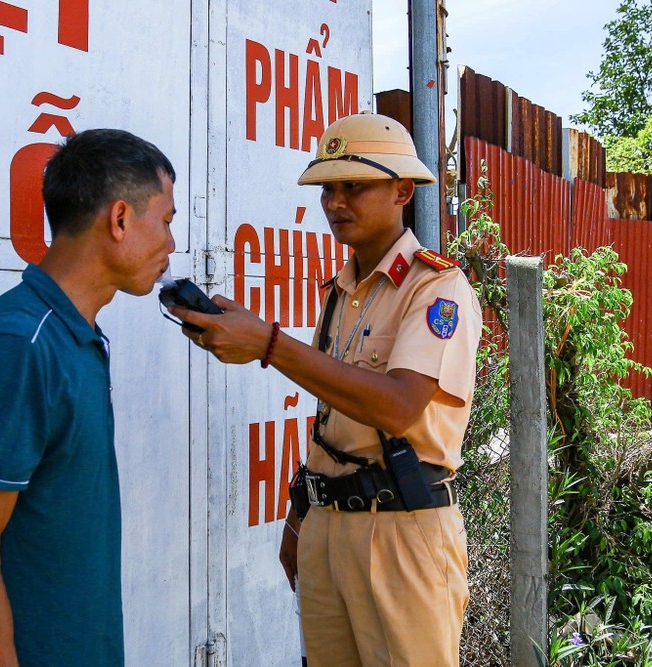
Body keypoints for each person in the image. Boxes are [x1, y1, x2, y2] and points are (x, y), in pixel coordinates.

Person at [170, 112, 482, 666]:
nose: (336, 202)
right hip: (328, 522)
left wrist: (270, 344)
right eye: (328, 188)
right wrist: (301, 515)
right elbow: (334, 421)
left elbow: (398, 407)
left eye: (354, 186)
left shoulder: (437, 289)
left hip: (402, 532)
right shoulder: (341, 291)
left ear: (402, 191)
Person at [0, 129, 176, 666]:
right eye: (166, 220)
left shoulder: (74, 334)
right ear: (119, 220)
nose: (171, 243)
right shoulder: (19, 344)